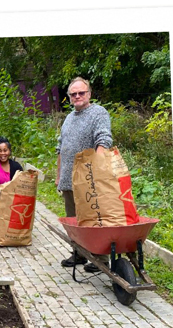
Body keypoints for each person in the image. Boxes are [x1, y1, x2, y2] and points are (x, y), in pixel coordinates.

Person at [56, 77, 113, 272]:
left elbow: (103, 140)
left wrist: (95, 171)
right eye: (73, 94)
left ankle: (101, 259)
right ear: (69, 97)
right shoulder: (69, 118)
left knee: (94, 220)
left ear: (89, 94)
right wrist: (59, 175)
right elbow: (61, 148)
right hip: (68, 179)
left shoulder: (98, 113)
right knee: (74, 221)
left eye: (81, 93)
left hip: (89, 180)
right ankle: (79, 253)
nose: (77, 96)